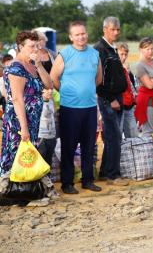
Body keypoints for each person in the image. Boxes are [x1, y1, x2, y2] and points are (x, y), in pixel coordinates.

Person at [50, 21, 103, 194]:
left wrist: (86, 91)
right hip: (70, 108)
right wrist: (68, 92)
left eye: (83, 33)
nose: (81, 37)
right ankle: (67, 183)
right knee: (69, 147)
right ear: (71, 37)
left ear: (87, 34)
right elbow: (53, 78)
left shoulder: (95, 54)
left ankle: (87, 180)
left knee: (89, 146)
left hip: (89, 107)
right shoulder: (65, 54)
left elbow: (98, 79)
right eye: (77, 34)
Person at [0, 31, 52, 175]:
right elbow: (17, 99)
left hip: (32, 120)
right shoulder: (16, 68)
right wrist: (24, 128)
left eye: (36, 46)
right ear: (20, 47)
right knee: (17, 157)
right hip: (18, 122)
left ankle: (26, 190)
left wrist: (39, 65)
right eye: (31, 46)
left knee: (28, 159)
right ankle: (11, 192)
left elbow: (49, 85)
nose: (35, 49)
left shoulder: (32, 65)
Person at [94, 16, 129, 186]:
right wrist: (111, 98)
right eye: (112, 29)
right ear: (104, 29)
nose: (116, 32)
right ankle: (113, 176)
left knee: (112, 137)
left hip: (118, 97)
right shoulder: (100, 49)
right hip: (109, 99)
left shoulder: (112, 48)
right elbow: (99, 80)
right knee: (114, 137)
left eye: (118, 29)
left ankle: (104, 172)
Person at [117, 42, 138, 138]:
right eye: (121, 54)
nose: (124, 57)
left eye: (125, 54)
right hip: (118, 107)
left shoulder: (125, 70)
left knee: (134, 135)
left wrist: (135, 101)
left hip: (129, 106)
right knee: (117, 136)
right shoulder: (110, 69)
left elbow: (131, 88)